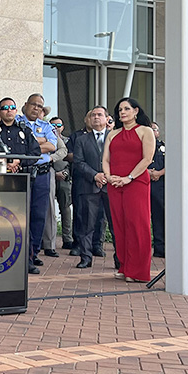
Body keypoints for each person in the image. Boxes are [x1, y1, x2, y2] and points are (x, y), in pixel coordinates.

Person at [102, 97, 156, 282]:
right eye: (119, 110)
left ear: (136, 111)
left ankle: (139, 271)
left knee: (137, 225)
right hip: (115, 184)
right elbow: (106, 160)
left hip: (136, 183)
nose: (122, 112)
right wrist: (109, 177)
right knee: (119, 225)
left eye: (126, 108)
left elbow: (147, 159)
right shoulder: (112, 133)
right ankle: (125, 267)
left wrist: (128, 178)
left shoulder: (145, 131)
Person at [0, 98, 42, 272]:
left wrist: (18, 162)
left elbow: (35, 153)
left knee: (21, 222)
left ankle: (26, 261)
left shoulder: (24, 130)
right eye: (5, 108)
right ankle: (1, 258)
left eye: (12, 107)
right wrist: (5, 163)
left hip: (21, 181)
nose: (9, 110)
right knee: (0, 221)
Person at [16, 94, 57, 270]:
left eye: (40, 106)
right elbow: (18, 145)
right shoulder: (17, 122)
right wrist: (40, 142)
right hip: (22, 173)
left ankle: (33, 254)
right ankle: (21, 255)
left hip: (41, 174)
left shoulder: (46, 125)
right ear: (26, 105)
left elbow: (52, 146)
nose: (36, 108)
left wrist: (29, 144)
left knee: (39, 215)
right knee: (20, 215)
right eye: (34, 104)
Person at [71, 106, 110, 269]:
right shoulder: (82, 139)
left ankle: (119, 259)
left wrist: (107, 176)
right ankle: (86, 257)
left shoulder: (113, 137)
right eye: (93, 115)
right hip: (89, 186)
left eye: (99, 115)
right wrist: (95, 175)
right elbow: (78, 162)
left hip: (111, 186)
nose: (96, 117)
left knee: (115, 225)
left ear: (107, 119)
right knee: (86, 224)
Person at [50, 116, 74, 250]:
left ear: (63, 127)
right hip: (50, 176)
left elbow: (73, 160)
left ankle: (67, 238)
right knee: (49, 209)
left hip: (64, 178)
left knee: (65, 208)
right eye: (53, 125)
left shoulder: (68, 142)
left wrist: (65, 173)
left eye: (58, 125)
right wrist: (54, 173)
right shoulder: (47, 140)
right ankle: (48, 240)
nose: (55, 128)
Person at [148, 122, 166, 258]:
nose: (152, 131)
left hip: (160, 185)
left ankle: (160, 248)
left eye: (154, 129)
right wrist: (147, 172)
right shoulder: (141, 146)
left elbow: (173, 162)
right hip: (144, 183)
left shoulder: (165, 147)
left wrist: (159, 173)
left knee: (159, 216)